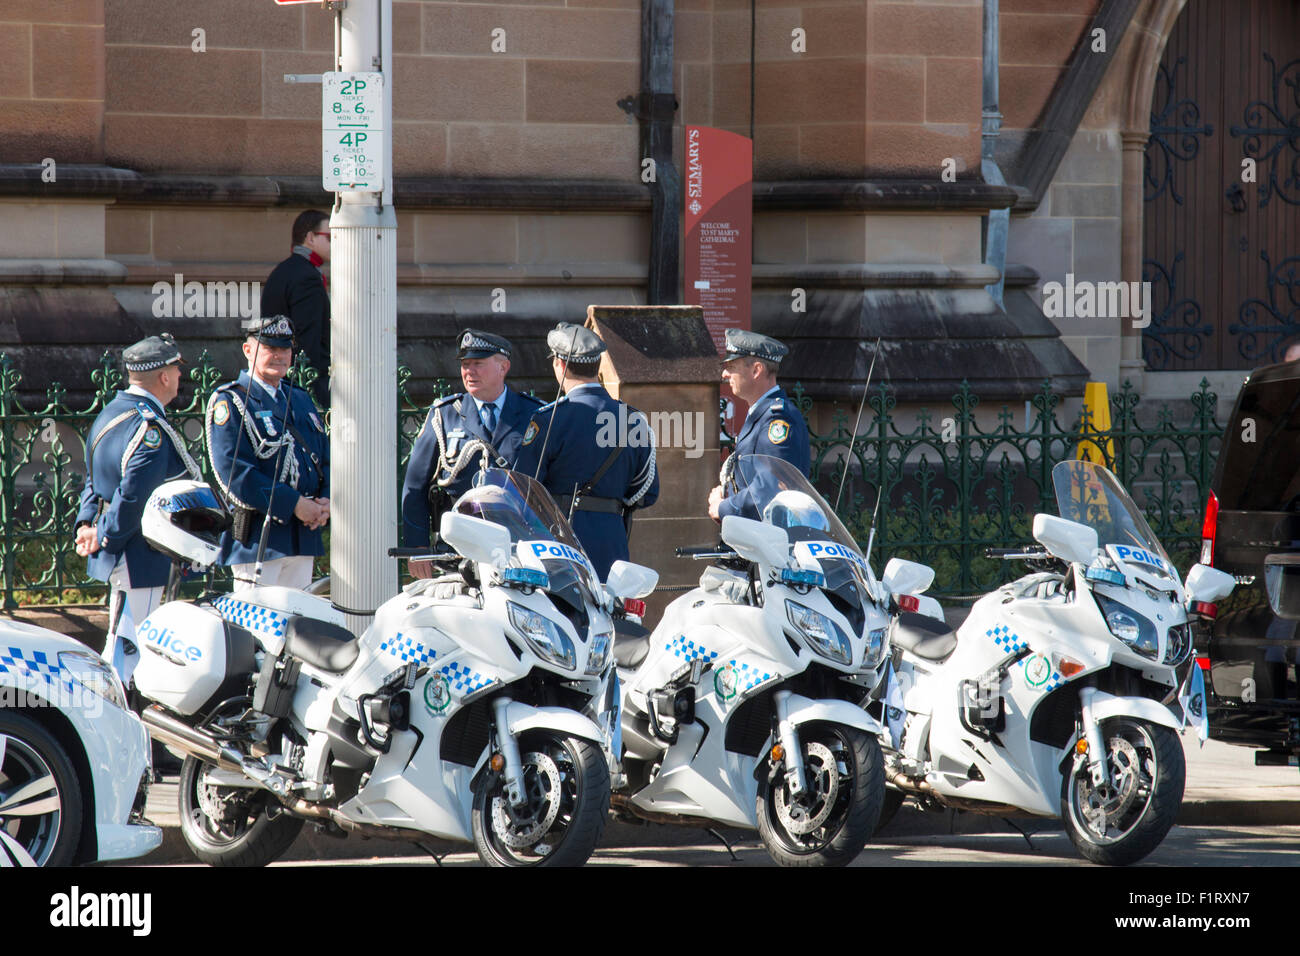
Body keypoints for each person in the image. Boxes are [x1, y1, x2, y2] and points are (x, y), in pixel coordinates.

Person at [74, 333, 203, 684]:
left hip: (119, 548)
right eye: (176, 370)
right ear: (164, 376)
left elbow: (94, 479)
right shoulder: (149, 427)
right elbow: (133, 497)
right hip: (139, 554)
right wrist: (102, 535)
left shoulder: (112, 412)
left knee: (120, 636)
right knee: (133, 648)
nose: (179, 377)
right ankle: (122, 723)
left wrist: (87, 524)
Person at [513, 323, 659, 579]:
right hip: (611, 543)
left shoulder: (549, 419)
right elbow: (646, 493)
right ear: (597, 365)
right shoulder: (633, 420)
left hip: (557, 542)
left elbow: (524, 489)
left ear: (560, 364)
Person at [401, 329, 542, 577]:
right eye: (465, 364)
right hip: (458, 548)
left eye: (478, 363)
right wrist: (417, 547)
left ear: (503, 367)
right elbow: (415, 485)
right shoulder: (445, 415)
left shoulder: (534, 415)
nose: (469, 371)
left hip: (518, 549)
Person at [205, 315, 330, 590]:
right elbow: (235, 473)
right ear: (248, 350)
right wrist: (295, 504)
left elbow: (325, 457)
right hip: (260, 538)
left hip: (303, 535)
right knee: (257, 627)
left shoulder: (299, 397)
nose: (279, 356)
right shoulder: (232, 401)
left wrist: (325, 500)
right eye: (270, 348)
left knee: (299, 625)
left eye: (285, 349)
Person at [708, 328, 811, 521]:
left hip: (773, 540)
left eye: (732, 366)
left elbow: (770, 485)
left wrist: (724, 507)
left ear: (756, 370)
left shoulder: (777, 419)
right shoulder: (762, 414)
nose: (724, 374)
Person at [261, 209, 331, 407]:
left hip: (281, 377)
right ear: (310, 237)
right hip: (303, 385)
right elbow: (308, 337)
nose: (335, 242)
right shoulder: (306, 277)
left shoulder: (284, 270)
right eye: (330, 237)